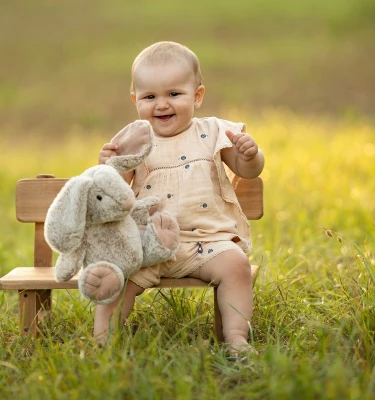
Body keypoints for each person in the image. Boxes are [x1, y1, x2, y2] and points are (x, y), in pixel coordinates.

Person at [96, 41, 264, 354]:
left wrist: (250, 155)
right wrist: (110, 168)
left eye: (174, 94)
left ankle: (237, 338)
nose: (161, 105)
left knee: (237, 265)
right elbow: (114, 193)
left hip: (208, 241)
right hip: (148, 244)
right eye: (150, 97)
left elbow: (248, 170)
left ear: (197, 96)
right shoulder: (134, 140)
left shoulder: (213, 131)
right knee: (116, 274)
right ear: (135, 100)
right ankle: (103, 342)